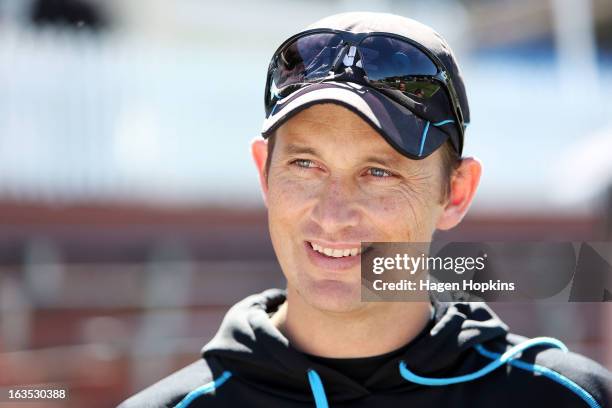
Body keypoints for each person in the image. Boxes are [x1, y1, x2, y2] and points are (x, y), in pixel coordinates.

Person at [118, 12, 611, 408]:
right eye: (306, 164)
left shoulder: (568, 397)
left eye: (379, 173)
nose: (333, 215)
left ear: (456, 192)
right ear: (263, 173)